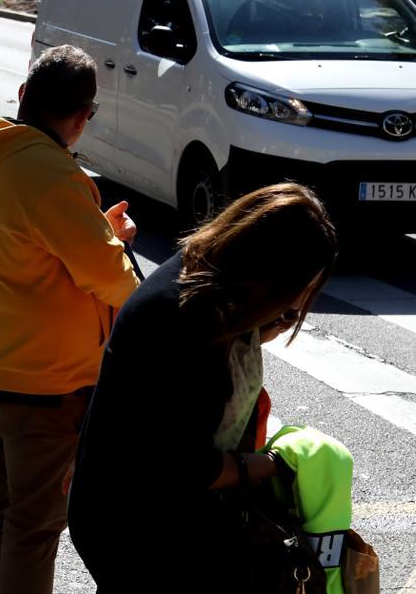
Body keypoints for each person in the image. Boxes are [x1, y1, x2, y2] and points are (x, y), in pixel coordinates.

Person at [69, 184, 338, 591]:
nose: (298, 306)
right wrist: (276, 465)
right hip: (138, 528)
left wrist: (268, 322)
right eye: (296, 291)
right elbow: (189, 467)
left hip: (139, 510)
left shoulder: (206, 276)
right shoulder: (187, 320)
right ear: (270, 275)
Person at [0, 44, 141, 594]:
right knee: (33, 527)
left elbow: (32, 250)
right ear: (83, 115)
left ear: (23, 96)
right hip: (45, 384)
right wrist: (110, 247)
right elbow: (109, 279)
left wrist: (94, 232)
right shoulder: (50, 172)